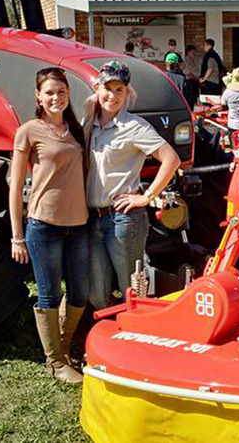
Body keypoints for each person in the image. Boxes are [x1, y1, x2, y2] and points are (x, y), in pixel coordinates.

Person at [9, 67, 89, 385]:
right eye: (50, 92)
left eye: (62, 91)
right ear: (38, 97)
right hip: (44, 225)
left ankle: (65, 350)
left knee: (80, 293)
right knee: (49, 294)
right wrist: (17, 237)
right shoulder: (28, 131)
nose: (56, 97)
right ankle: (55, 363)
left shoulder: (77, 130)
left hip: (79, 224)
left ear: (69, 94)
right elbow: (16, 187)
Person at [83, 60, 181, 309]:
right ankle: (112, 330)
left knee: (131, 290)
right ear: (97, 88)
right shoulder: (87, 125)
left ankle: (132, 335)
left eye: (120, 90)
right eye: (108, 88)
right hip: (91, 219)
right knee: (96, 293)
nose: (112, 96)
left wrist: (146, 197)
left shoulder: (135, 127)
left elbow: (172, 159)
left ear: (127, 94)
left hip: (122, 220)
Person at [182, 44, 201, 109]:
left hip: (197, 82)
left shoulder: (196, 60)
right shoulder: (185, 61)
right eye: (193, 52)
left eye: (195, 52)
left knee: (197, 99)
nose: (194, 54)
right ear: (188, 52)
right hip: (190, 82)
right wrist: (196, 78)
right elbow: (188, 73)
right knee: (191, 100)